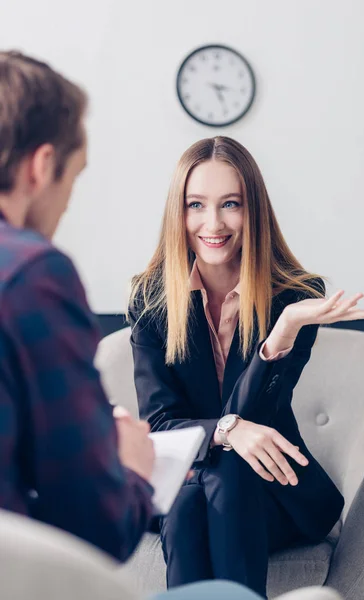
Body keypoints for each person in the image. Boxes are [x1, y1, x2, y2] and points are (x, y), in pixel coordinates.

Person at [0, 49, 276, 600]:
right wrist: (130, 462)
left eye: (231, 204)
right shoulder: (33, 276)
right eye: (73, 178)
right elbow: (98, 525)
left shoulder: (291, 295)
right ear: (40, 166)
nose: (66, 203)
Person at [128, 136, 364, 598]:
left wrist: (280, 335)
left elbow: (258, 420)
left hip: (275, 492)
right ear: (178, 214)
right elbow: (161, 424)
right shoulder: (151, 301)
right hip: (191, 486)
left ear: (254, 210)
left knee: (225, 477)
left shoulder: (294, 298)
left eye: (231, 204)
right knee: (187, 504)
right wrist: (227, 429)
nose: (213, 223)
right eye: (196, 205)